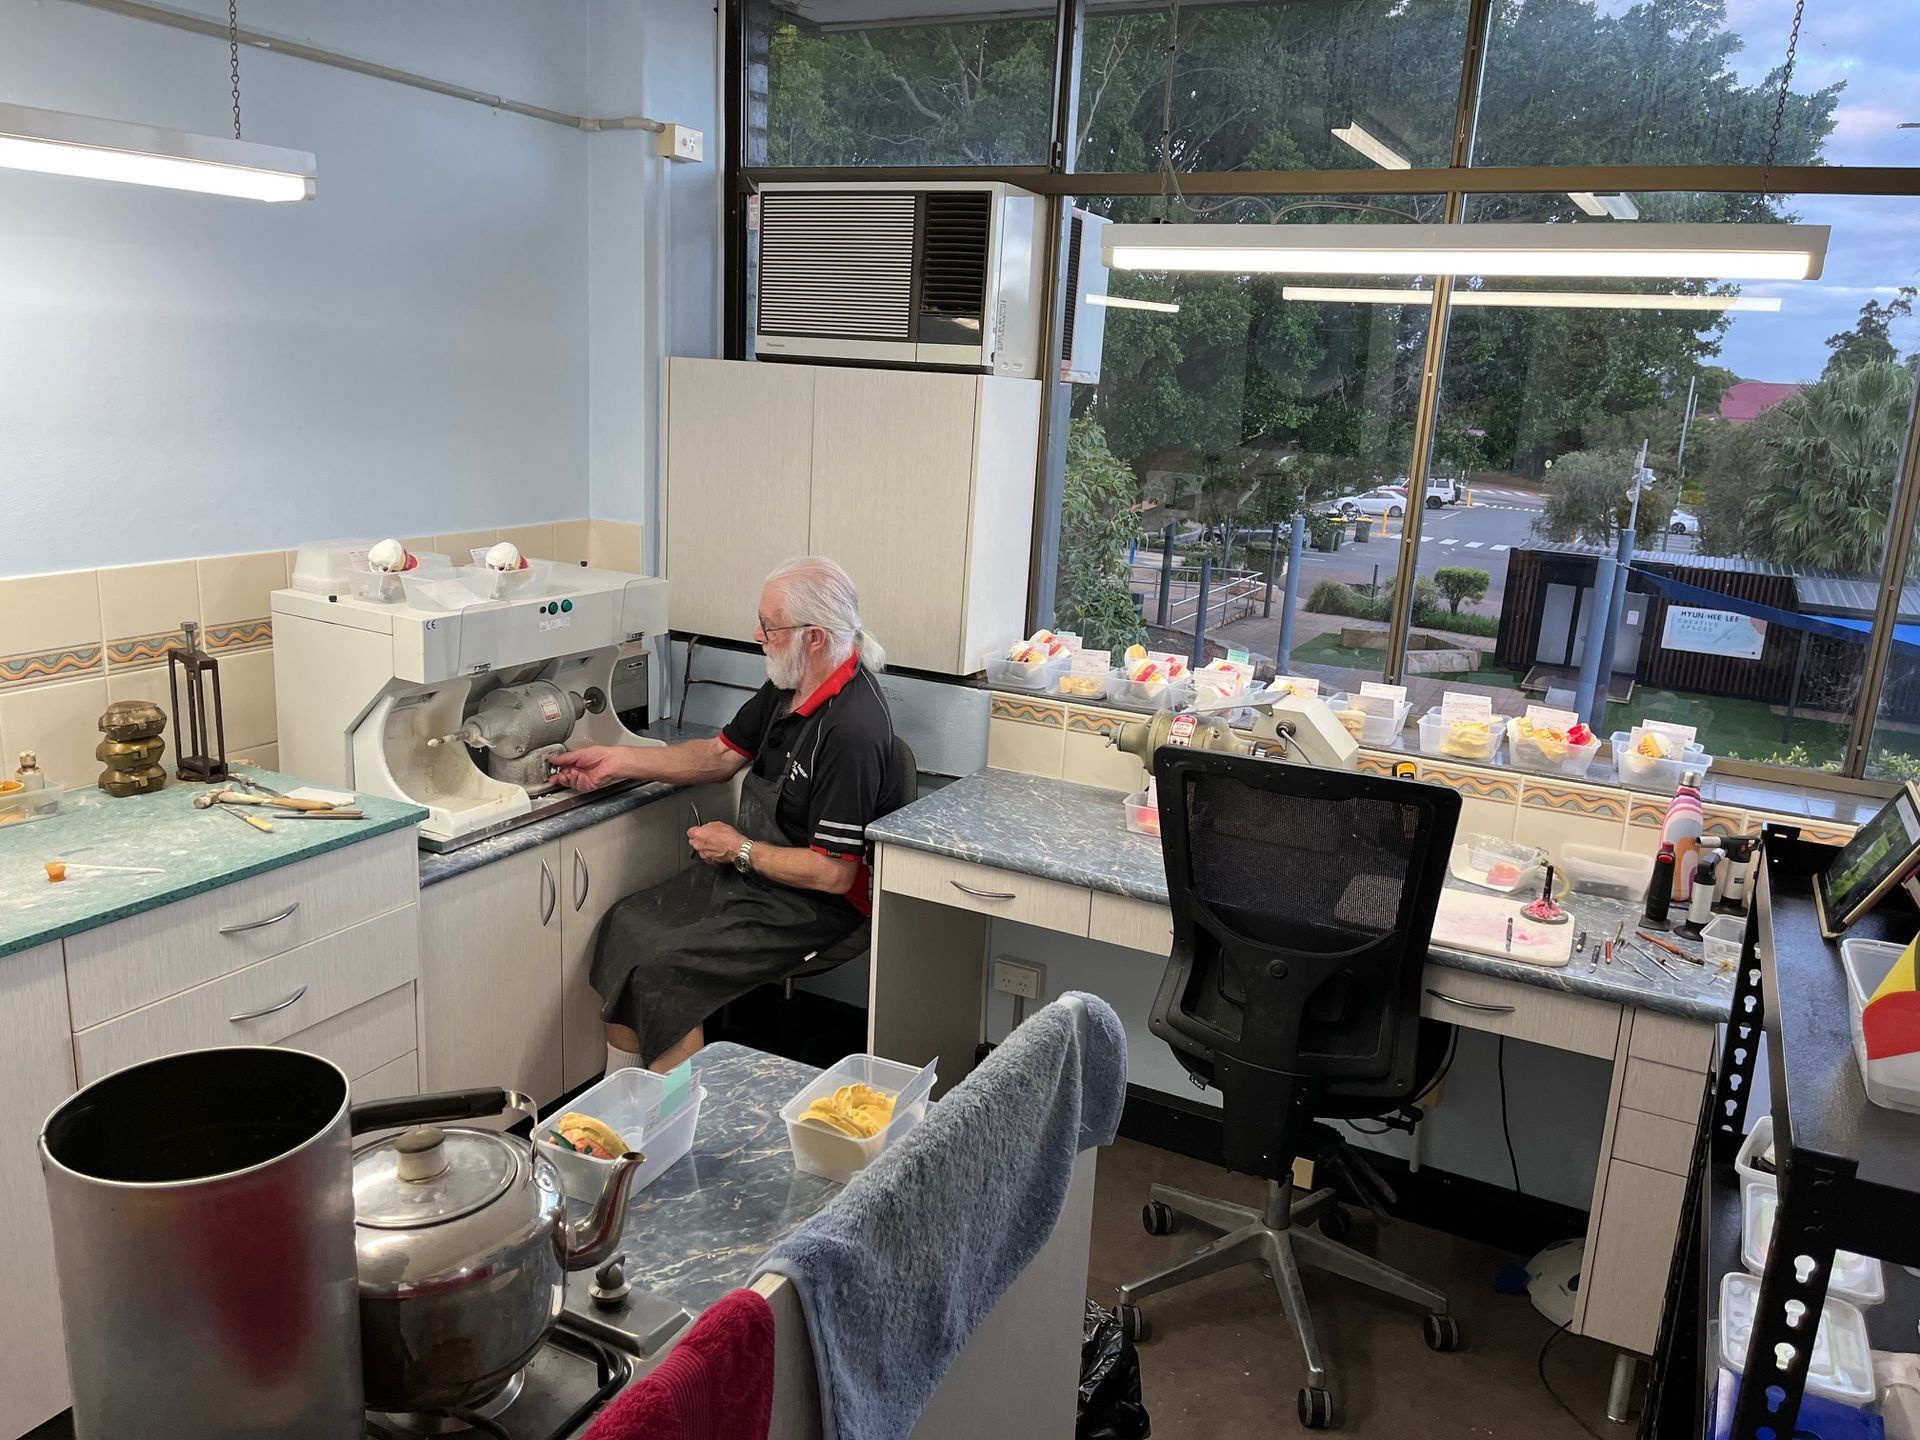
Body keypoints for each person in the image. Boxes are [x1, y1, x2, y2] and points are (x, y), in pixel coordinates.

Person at [549, 556, 905, 1075]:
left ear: (814, 637)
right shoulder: (791, 684)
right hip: (756, 874)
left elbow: (834, 873)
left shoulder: (851, 731)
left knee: (665, 968)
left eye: (769, 625)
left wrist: (740, 850)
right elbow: (719, 757)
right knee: (626, 925)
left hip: (812, 904)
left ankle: (665, 1130)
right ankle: (621, 1099)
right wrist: (617, 761)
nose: (757, 635)